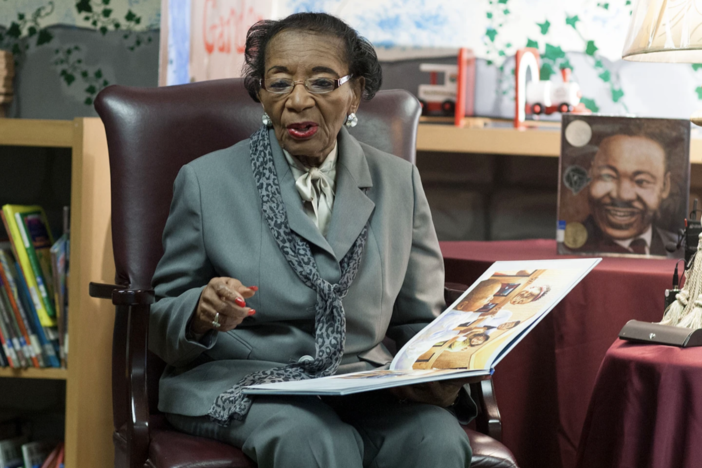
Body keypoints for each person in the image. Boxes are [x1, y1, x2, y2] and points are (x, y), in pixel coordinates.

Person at [148, 12, 475, 468]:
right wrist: (198, 312)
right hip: (246, 384)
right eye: (279, 83)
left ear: (355, 93)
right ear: (261, 93)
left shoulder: (399, 182)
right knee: (313, 438)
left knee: (435, 438)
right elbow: (161, 317)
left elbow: (417, 320)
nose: (297, 100)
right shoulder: (206, 181)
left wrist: (439, 366)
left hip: (361, 383)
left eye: (322, 83)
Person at [574, 133, 677, 256]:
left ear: (665, 186)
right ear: (590, 175)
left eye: (641, 181)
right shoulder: (569, 246)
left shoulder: (679, 249)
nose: (623, 195)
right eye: (608, 176)